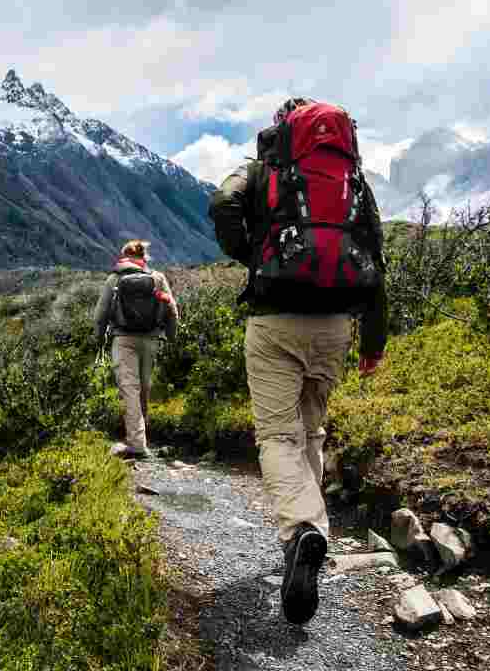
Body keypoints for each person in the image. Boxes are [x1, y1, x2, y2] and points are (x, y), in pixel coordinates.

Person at [207, 97, 388, 625]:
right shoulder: (351, 178)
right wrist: (374, 342)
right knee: (311, 433)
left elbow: (222, 202)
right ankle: (305, 539)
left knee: (278, 437)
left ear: (282, 128)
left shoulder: (263, 168)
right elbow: (376, 256)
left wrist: (253, 252)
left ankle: (304, 530)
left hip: (274, 319)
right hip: (335, 324)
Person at [93, 240, 179, 458]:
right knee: (144, 387)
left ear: (124, 256)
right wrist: (171, 337)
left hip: (123, 339)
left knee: (129, 389)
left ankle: (137, 444)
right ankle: (140, 438)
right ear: (145, 257)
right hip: (150, 340)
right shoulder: (157, 278)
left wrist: (99, 341)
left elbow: (100, 315)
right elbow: (172, 310)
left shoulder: (114, 278)